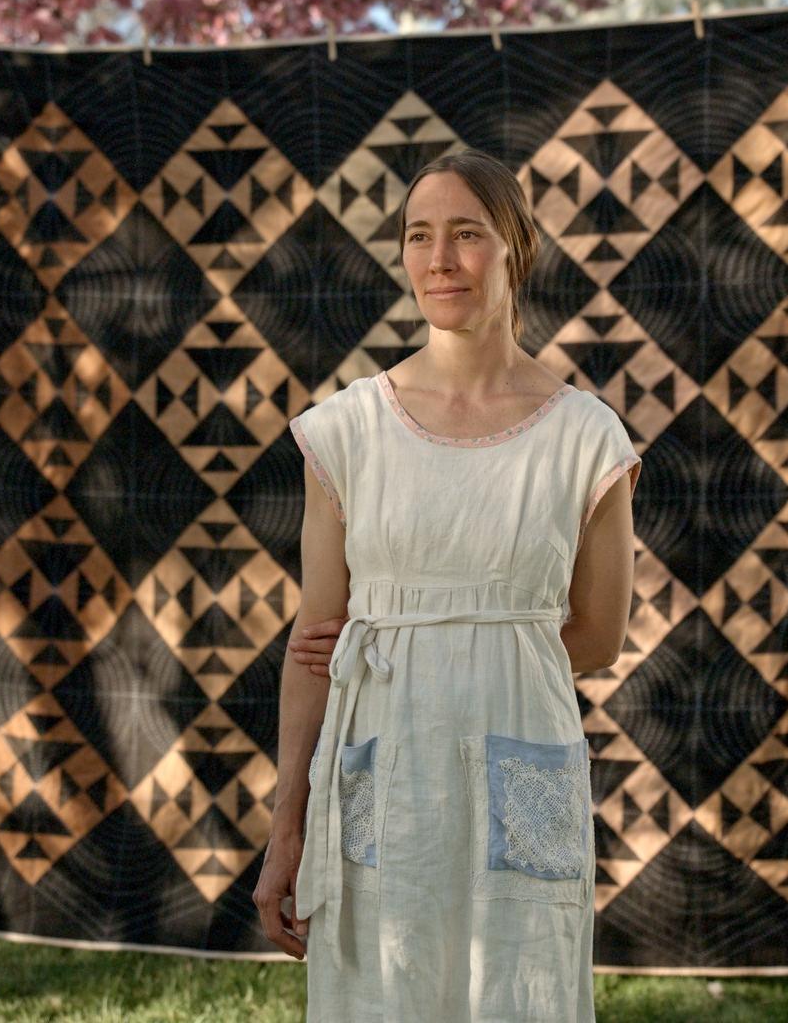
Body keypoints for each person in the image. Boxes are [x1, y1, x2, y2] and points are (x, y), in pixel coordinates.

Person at [251, 147, 642, 1021]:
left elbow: (599, 636)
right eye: (419, 236)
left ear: (516, 250)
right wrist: (287, 827)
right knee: (379, 994)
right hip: (383, 769)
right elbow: (316, 646)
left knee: (522, 988)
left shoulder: (587, 438)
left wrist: (467, 648)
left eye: (467, 234)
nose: (440, 259)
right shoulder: (346, 432)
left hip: (522, 756)